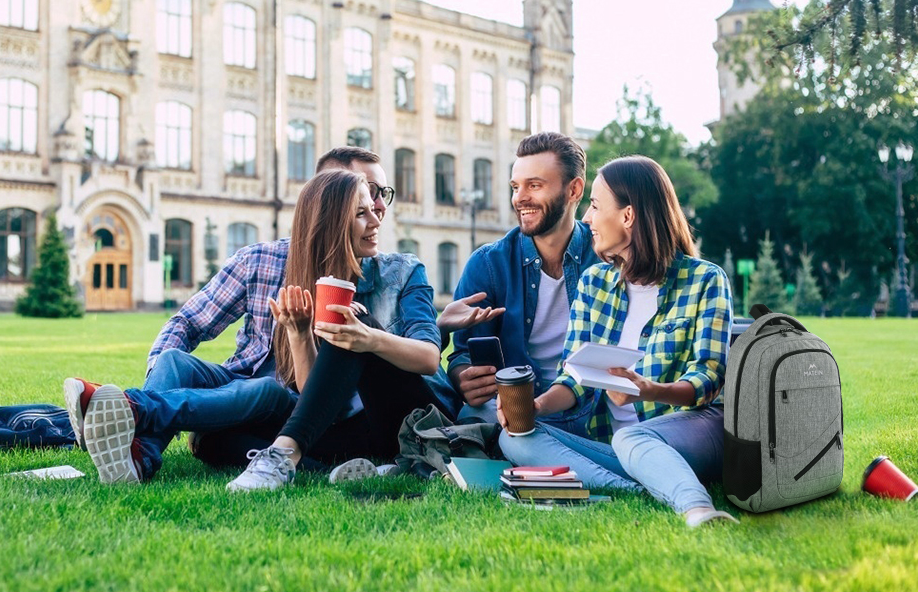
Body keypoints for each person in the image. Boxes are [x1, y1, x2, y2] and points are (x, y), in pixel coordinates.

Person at [64, 147, 496, 484]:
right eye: (362, 198)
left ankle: (134, 409)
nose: (378, 208)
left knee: (257, 403)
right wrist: (297, 330)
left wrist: (385, 332)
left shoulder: (398, 271)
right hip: (290, 406)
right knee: (201, 403)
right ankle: (141, 453)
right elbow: (190, 325)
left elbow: (407, 359)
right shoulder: (264, 261)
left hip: (345, 417)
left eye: (380, 195)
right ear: (329, 203)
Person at [497, 155, 737, 527]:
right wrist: (534, 407)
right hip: (619, 447)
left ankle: (698, 509)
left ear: (627, 216)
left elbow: (707, 380)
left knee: (634, 440)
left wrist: (648, 390)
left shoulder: (705, 280)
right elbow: (574, 377)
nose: (587, 218)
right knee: (514, 438)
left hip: (691, 430)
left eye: (594, 205)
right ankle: (637, 489)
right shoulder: (594, 284)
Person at [447, 132, 598, 436]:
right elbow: (462, 351)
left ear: (574, 190)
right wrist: (464, 375)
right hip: (510, 408)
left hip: (589, 406)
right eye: (516, 187)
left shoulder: (604, 257)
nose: (520, 198)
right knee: (473, 416)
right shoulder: (488, 264)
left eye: (534, 185)